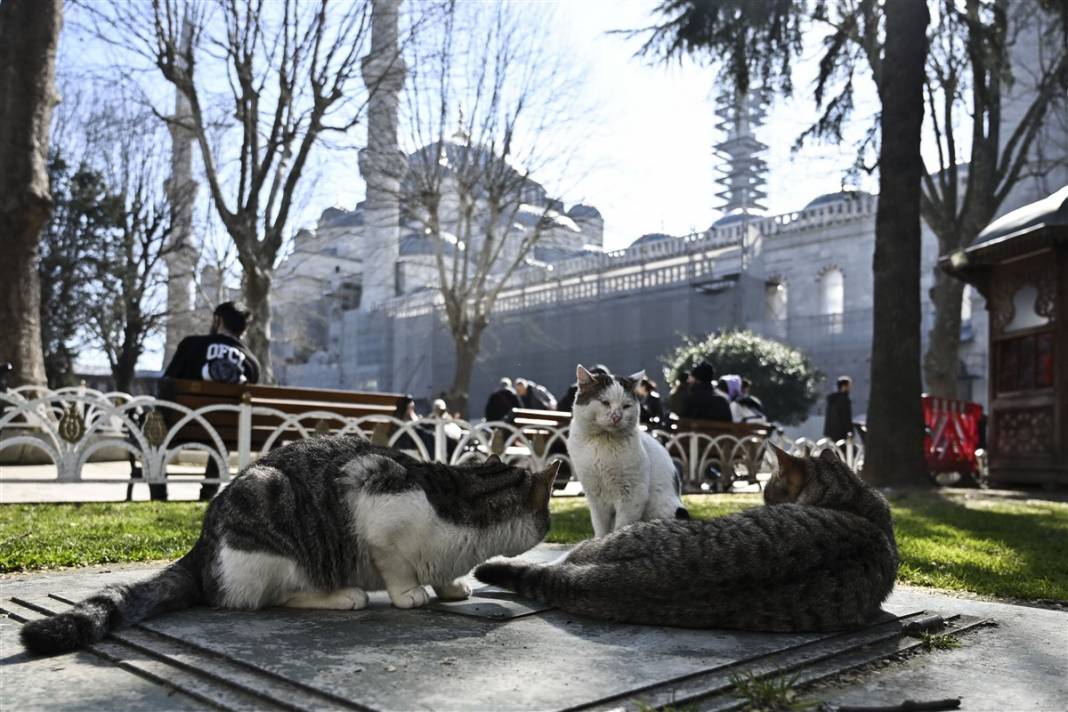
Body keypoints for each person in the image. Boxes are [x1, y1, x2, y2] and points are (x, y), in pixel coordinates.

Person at [162, 302, 261, 501]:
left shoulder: (191, 345)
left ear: (218, 320)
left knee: (159, 424)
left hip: (181, 426)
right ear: (243, 329)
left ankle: (159, 495)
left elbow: (167, 384)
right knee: (223, 431)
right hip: (226, 434)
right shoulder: (252, 362)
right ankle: (207, 495)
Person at [824, 376, 854, 442]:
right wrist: (850, 431)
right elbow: (846, 417)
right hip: (841, 434)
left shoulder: (832, 399)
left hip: (830, 432)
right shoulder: (843, 400)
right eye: (849, 386)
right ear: (844, 386)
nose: (850, 388)